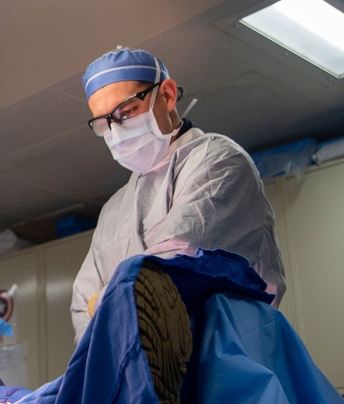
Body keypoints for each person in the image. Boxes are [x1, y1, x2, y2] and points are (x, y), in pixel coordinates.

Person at [72, 47, 286, 342]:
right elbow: (84, 309)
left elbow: (172, 268)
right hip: (139, 375)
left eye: (126, 112)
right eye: (104, 123)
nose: (116, 132)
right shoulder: (113, 211)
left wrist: (106, 302)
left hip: (227, 361)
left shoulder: (218, 161)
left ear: (168, 95)